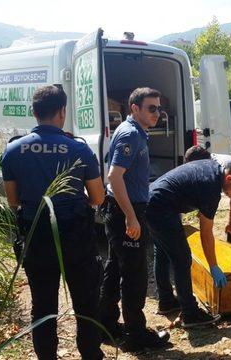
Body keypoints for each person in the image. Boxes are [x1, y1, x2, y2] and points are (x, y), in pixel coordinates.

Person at [0, 85, 105, 360]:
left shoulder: (13, 150)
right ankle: (91, 355)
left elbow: (13, 201)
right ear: (62, 111)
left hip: (36, 235)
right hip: (76, 236)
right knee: (86, 302)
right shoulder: (79, 149)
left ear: (34, 113)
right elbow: (97, 197)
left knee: (43, 306)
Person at [97, 88, 170, 351]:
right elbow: (114, 177)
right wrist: (131, 218)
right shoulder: (130, 134)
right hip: (125, 212)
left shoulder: (135, 132)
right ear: (134, 108)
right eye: (151, 108)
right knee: (134, 276)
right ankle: (136, 336)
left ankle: (105, 325)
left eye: (159, 108)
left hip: (123, 210)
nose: (157, 113)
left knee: (115, 268)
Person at [148, 159, 231, 328]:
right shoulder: (211, 187)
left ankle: (167, 301)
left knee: (162, 251)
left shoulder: (213, 169)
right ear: (229, 179)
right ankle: (190, 314)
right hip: (160, 207)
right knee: (182, 259)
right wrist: (213, 266)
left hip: (153, 199)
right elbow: (206, 232)